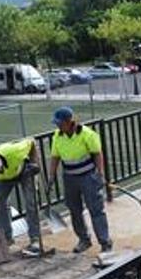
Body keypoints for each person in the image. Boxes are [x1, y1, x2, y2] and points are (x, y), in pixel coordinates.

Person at [48, 106, 112, 253]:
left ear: (69, 121)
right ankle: (84, 239)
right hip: (69, 178)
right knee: (74, 210)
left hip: (88, 177)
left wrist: (100, 174)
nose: (57, 126)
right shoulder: (57, 136)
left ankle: (105, 242)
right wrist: (51, 176)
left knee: (96, 210)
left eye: (59, 123)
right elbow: (55, 157)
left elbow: (97, 153)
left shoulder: (87, 134)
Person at [0, 138, 50, 257]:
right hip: (5, 179)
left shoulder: (13, 151)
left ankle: (35, 239)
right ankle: (7, 239)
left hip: (24, 171)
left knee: (31, 203)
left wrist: (35, 163)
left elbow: (31, 142)